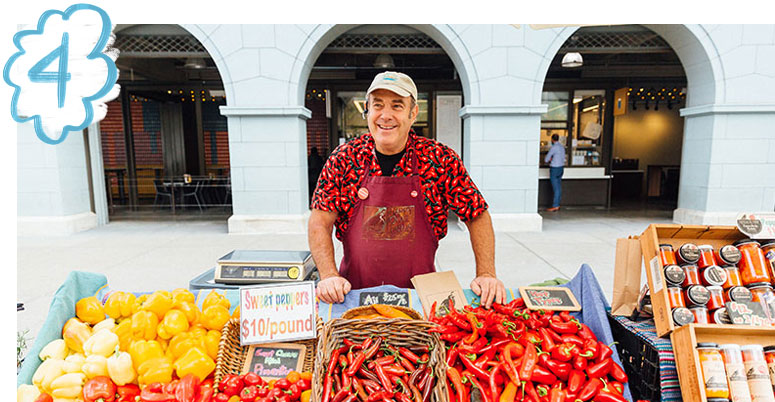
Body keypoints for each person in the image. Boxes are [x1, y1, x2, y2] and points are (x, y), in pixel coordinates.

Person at [308, 71, 506, 308]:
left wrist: (486, 273)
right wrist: (329, 275)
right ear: (367, 111)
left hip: (424, 298)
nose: (386, 115)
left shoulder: (439, 159)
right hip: (356, 298)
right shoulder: (344, 159)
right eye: (378, 105)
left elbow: (477, 214)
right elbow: (319, 221)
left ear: (413, 113)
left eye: (397, 105)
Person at [544, 134, 566, 212]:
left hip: (554, 168)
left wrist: (550, 159)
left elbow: (546, 159)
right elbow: (563, 158)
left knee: (555, 188)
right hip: (561, 168)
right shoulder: (562, 147)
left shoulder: (554, 148)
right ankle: (558, 204)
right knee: (558, 187)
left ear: (552, 140)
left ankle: (555, 205)